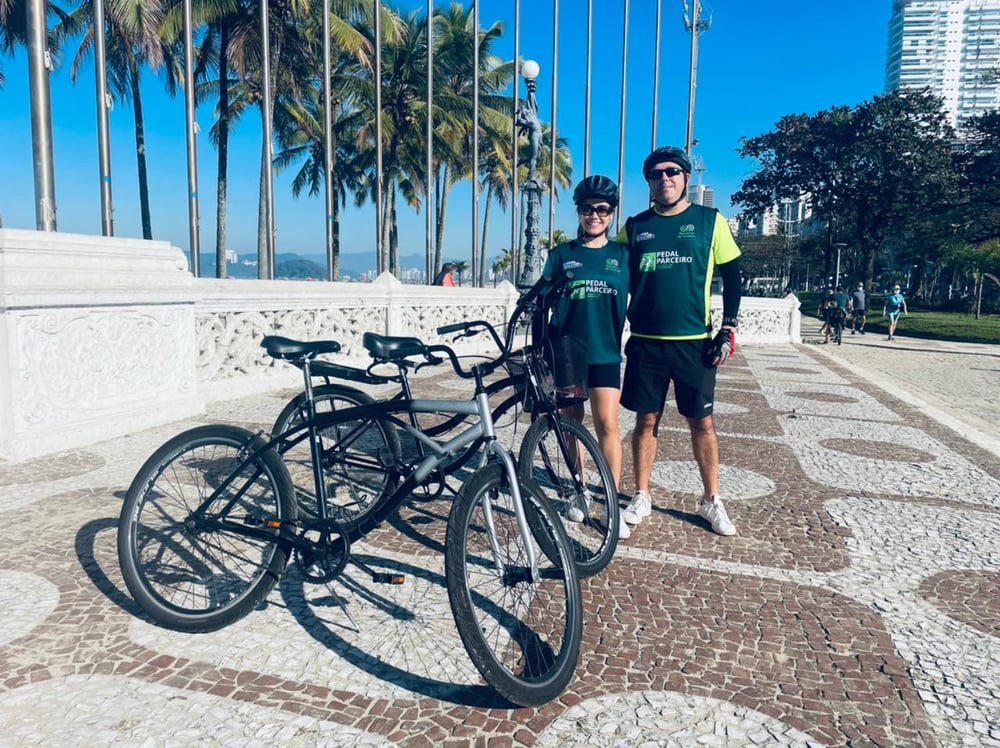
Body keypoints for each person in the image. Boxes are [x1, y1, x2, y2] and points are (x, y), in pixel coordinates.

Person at [616, 146, 742, 537]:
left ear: (686, 177)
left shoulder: (710, 221)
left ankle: (711, 500)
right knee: (645, 420)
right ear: (649, 183)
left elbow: (734, 276)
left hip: (694, 342)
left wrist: (729, 327)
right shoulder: (634, 227)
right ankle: (641, 494)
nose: (664, 178)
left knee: (701, 422)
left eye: (672, 172)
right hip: (646, 342)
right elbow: (614, 280)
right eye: (656, 174)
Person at [541, 175, 631, 539]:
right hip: (567, 353)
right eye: (587, 209)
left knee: (607, 423)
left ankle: (611, 503)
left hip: (606, 351)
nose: (594, 215)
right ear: (578, 212)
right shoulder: (562, 255)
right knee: (572, 424)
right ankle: (578, 490)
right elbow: (541, 301)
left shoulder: (623, 256)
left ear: (611, 215)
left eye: (602, 210)